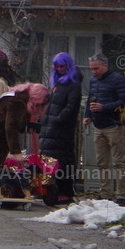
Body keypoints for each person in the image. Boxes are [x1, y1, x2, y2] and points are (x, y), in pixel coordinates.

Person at [83, 53, 125, 205]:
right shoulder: (93, 81)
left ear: (105, 66)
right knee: (102, 163)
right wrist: (87, 115)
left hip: (114, 125)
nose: (94, 72)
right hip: (98, 125)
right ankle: (104, 192)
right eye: (91, 69)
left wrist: (104, 107)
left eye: (96, 68)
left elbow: (124, 101)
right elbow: (90, 99)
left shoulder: (117, 80)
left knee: (118, 162)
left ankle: (121, 195)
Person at [38, 52, 83, 204]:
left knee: (63, 160)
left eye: (62, 66)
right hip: (51, 128)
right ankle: (52, 190)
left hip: (61, 129)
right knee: (51, 160)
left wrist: (58, 120)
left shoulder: (73, 84)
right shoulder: (57, 84)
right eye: (56, 66)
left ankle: (66, 192)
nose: (59, 68)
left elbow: (72, 106)